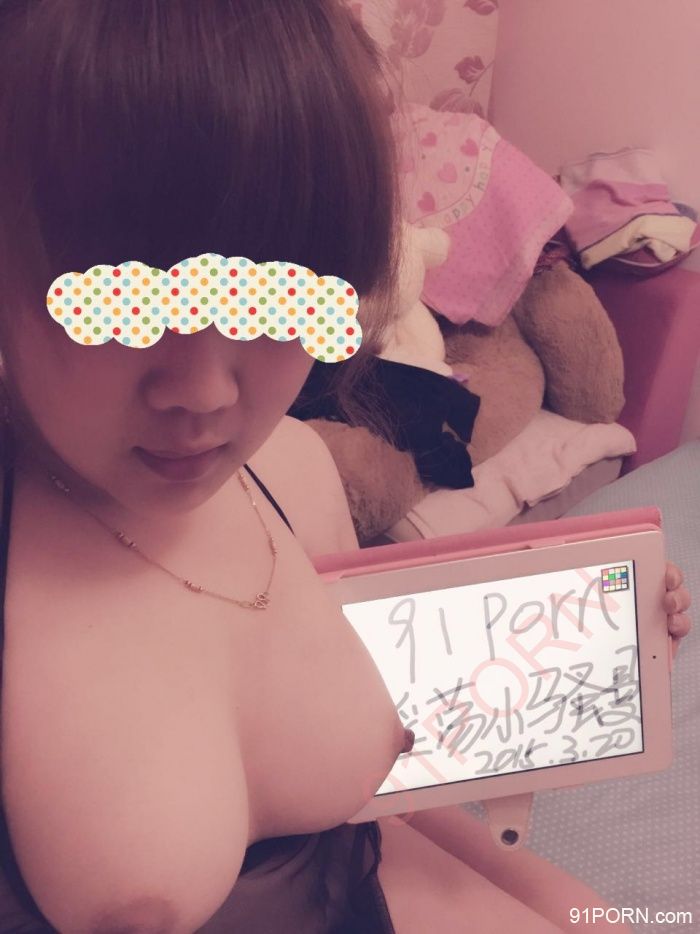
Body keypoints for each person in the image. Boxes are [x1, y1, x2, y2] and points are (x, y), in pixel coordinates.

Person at [0, 1, 691, 932]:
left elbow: (366, 805)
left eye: (274, 298)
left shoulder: (293, 475)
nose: (203, 391)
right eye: (119, 302)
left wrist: (581, 908)